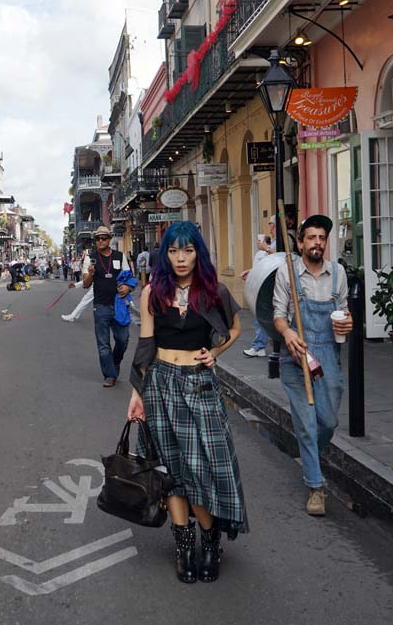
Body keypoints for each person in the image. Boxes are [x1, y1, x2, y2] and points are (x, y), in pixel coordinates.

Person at [127, 221, 248, 584]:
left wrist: (214, 352)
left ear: (199, 253)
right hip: (161, 384)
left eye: (188, 250)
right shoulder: (152, 292)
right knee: (171, 471)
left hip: (199, 387)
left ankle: (210, 542)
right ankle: (184, 546)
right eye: (174, 251)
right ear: (165, 254)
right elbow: (146, 345)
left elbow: (235, 329)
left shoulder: (213, 292)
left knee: (200, 471)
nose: (181, 258)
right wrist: (137, 394)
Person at [273, 214, 353, 516]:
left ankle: (310, 458)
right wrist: (288, 332)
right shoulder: (288, 273)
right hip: (296, 354)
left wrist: (348, 324)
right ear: (301, 242)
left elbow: (344, 312)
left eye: (322, 238)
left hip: (327, 354)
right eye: (311, 238)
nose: (317, 243)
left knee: (328, 422)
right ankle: (316, 487)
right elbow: (278, 314)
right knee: (306, 425)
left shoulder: (338, 273)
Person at [82, 225, 133, 387]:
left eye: (103, 238)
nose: (100, 241)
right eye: (97, 238)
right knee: (103, 344)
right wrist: (90, 273)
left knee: (123, 339)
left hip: (119, 305)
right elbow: (85, 284)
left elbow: (129, 278)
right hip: (101, 306)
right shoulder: (91, 258)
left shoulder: (119, 256)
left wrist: (128, 287)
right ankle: (109, 375)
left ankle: (115, 362)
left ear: (109, 239)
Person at [242, 215, 276, 358]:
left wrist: (266, 248)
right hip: (267, 283)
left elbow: (283, 256)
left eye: (272, 224)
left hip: (273, 285)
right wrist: (251, 272)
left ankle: (261, 346)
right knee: (261, 315)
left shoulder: (279, 241)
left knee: (262, 314)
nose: (270, 228)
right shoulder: (273, 242)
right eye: (270, 225)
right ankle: (260, 346)